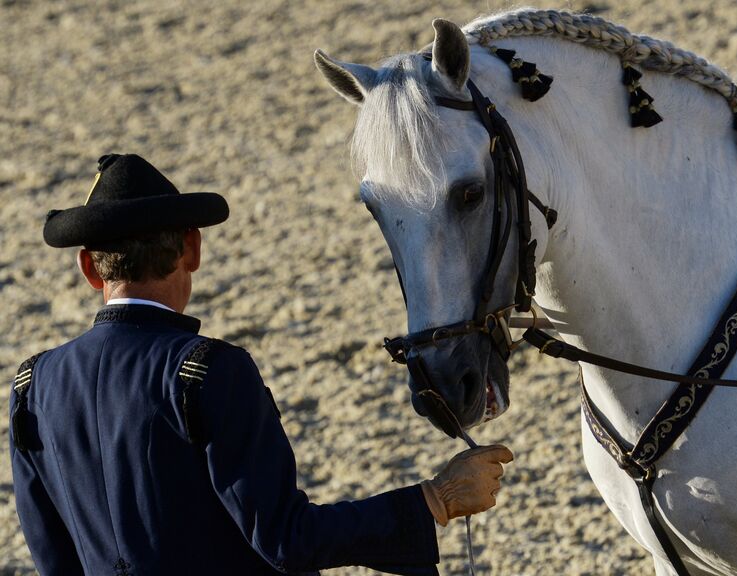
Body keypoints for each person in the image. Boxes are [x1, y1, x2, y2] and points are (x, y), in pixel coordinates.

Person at [10, 153, 514, 576]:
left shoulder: (31, 384)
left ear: (87, 267)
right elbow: (284, 539)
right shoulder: (207, 370)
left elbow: (53, 560)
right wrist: (434, 500)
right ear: (192, 247)